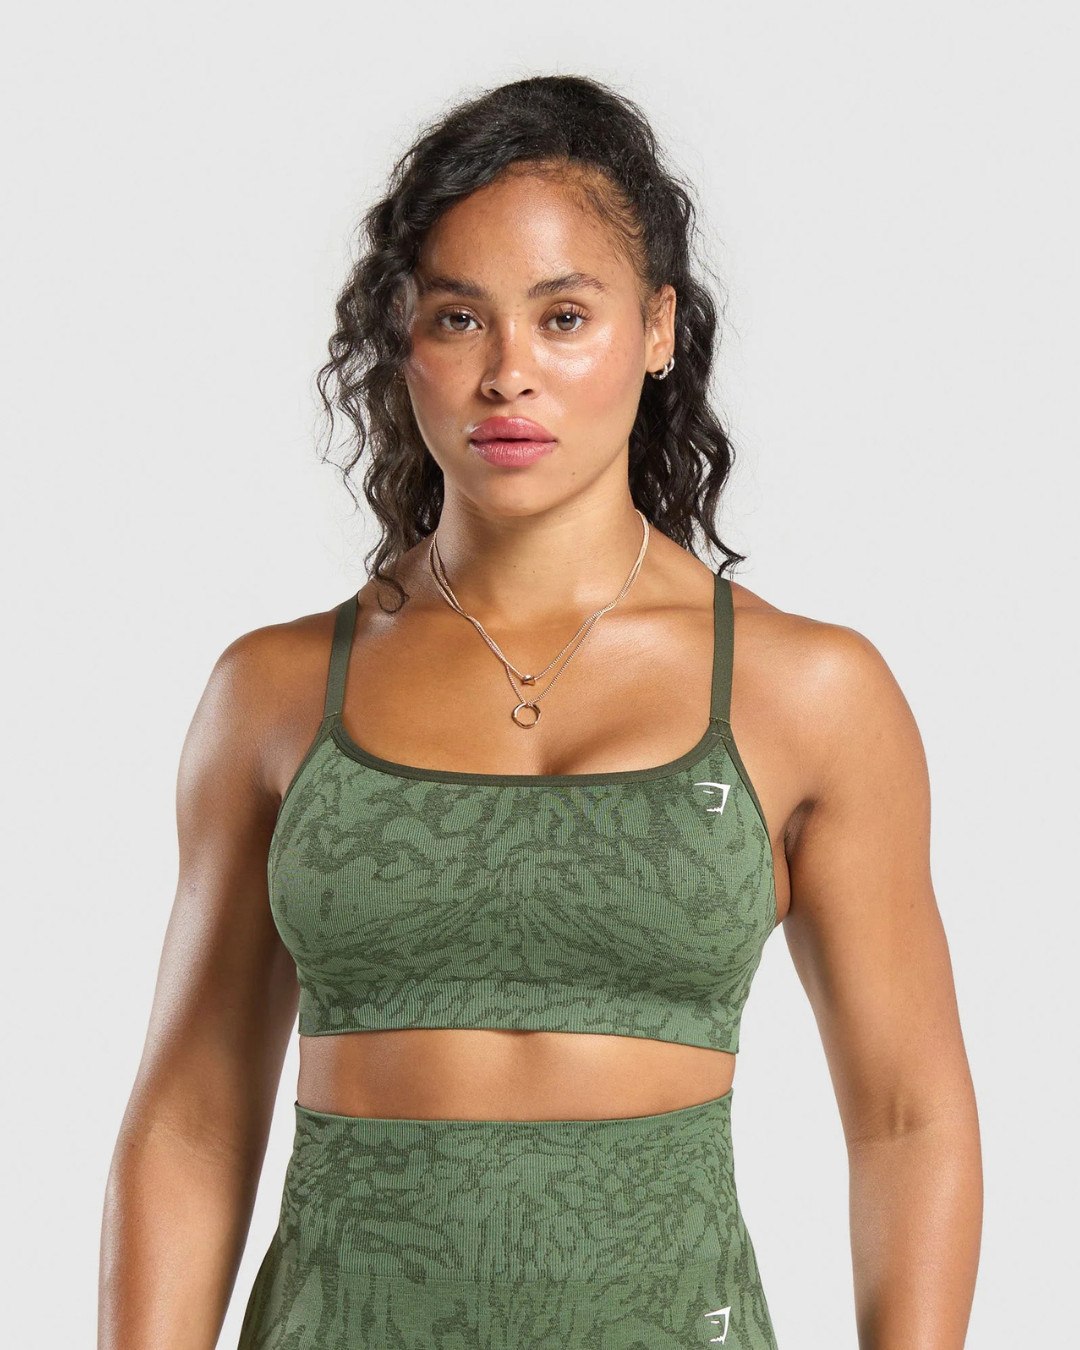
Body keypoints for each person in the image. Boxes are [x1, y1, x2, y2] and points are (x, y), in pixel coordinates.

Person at [98, 74, 982, 1350]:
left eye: (565, 317)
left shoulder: (810, 691)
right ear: (402, 336)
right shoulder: (275, 692)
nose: (509, 374)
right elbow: (190, 1118)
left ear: (658, 327)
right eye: (460, 319)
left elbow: (908, 1117)